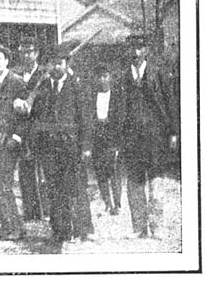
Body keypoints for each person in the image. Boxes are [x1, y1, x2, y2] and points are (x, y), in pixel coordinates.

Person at [25, 42, 93, 244]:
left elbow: (86, 119)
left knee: (77, 187)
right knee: (54, 189)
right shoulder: (43, 87)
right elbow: (35, 117)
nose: (56, 67)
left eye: (59, 63)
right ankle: (60, 230)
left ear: (67, 63)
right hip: (49, 147)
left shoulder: (78, 85)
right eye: (52, 63)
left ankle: (84, 229)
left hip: (72, 146)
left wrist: (86, 147)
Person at [117, 34, 177, 238]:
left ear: (146, 51)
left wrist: (173, 132)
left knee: (155, 183)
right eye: (131, 48)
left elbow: (170, 104)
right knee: (134, 184)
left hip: (154, 138)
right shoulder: (123, 77)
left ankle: (157, 226)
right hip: (131, 140)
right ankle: (138, 227)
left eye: (139, 48)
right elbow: (118, 110)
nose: (135, 53)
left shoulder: (158, 74)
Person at [0, 44, 28, 240]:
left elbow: (25, 114)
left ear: (7, 61)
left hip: (9, 142)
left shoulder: (16, 82)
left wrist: (17, 137)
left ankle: (16, 228)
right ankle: (7, 226)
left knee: (6, 185)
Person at [14, 38, 47, 221]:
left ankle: (45, 210)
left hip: (39, 127)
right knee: (25, 170)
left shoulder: (45, 74)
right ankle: (31, 211)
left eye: (30, 52)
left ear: (36, 54)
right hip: (21, 129)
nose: (26, 55)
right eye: (23, 52)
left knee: (43, 170)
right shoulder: (15, 74)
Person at [91, 66, 123, 217]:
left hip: (112, 138)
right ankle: (106, 202)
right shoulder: (92, 96)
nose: (102, 80)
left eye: (105, 76)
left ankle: (117, 204)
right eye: (99, 77)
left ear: (110, 77)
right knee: (100, 171)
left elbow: (121, 120)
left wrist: (117, 142)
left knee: (114, 171)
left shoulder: (117, 96)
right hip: (97, 137)